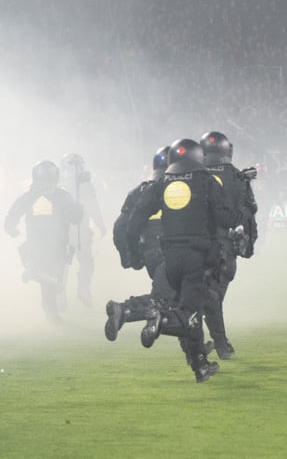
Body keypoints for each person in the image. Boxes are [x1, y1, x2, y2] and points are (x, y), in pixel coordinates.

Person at [125, 139, 244, 383]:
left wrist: (133, 253)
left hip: (169, 258)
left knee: (186, 306)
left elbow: (133, 222)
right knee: (190, 311)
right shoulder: (205, 181)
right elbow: (225, 217)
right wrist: (240, 215)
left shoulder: (161, 184)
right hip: (197, 258)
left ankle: (199, 364)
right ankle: (152, 318)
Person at [105, 146, 175, 341]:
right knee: (170, 298)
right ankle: (124, 310)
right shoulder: (179, 189)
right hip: (172, 250)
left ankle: (197, 351)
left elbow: (120, 227)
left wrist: (129, 257)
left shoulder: (139, 190)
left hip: (149, 252)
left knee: (172, 297)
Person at [199, 130, 258, 360]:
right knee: (213, 297)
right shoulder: (236, 176)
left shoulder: (193, 174)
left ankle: (203, 343)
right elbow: (249, 210)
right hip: (224, 245)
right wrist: (250, 242)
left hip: (195, 243)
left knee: (202, 296)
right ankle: (220, 345)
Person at [5, 160, 83, 324]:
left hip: (54, 245)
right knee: (51, 281)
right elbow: (13, 214)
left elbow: (74, 218)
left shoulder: (57, 196)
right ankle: (51, 313)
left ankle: (38, 278)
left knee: (54, 281)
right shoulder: (46, 196)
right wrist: (11, 227)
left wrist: (77, 211)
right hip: (43, 245)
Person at [60, 153, 107, 308]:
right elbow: (93, 207)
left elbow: (92, 206)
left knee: (68, 265)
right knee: (81, 263)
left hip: (70, 233)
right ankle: (79, 290)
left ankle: (71, 292)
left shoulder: (59, 186)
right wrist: (101, 225)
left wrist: (100, 224)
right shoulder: (79, 186)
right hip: (73, 232)